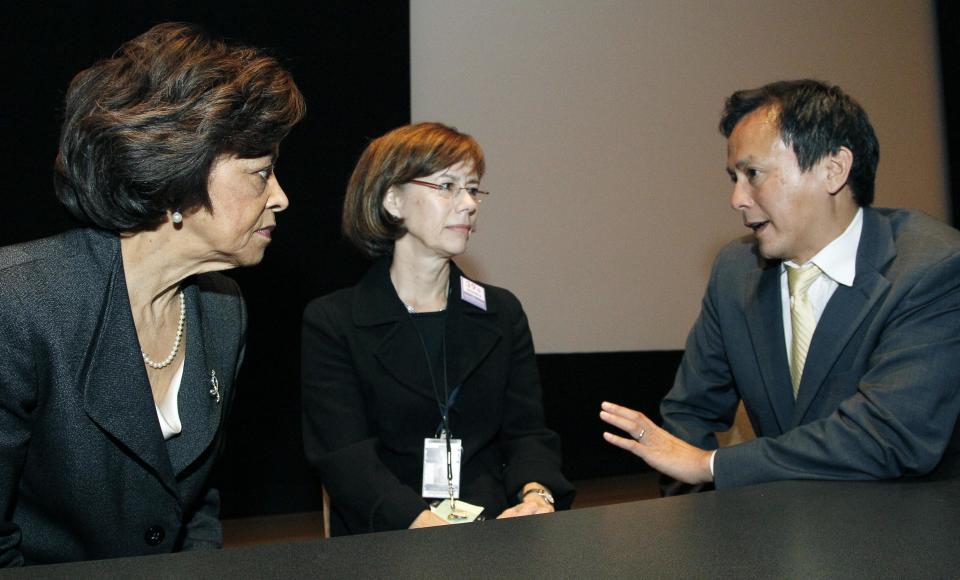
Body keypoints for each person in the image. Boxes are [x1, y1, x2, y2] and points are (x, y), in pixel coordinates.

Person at [0, 23, 305, 566]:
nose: (281, 197)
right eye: (260, 174)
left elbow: (196, 504)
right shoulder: (18, 302)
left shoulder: (223, 308)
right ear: (176, 182)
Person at [601, 79, 960, 490]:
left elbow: (888, 437)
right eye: (733, 177)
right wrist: (701, 518)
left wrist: (712, 465)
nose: (737, 198)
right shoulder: (737, 270)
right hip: (774, 534)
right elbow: (688, 415)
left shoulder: (933, 268)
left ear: (833, 169)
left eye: (753, 174)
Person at [301, 122, 574, 535]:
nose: (468, 204)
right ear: (393, 200)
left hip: (493, 530)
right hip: (387, 535)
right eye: (447, 186)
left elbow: (527, 433)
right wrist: (420, 523)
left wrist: (537, 494)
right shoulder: (334, 322)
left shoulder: (501, 312)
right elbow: (345, 459)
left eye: (472, 188)